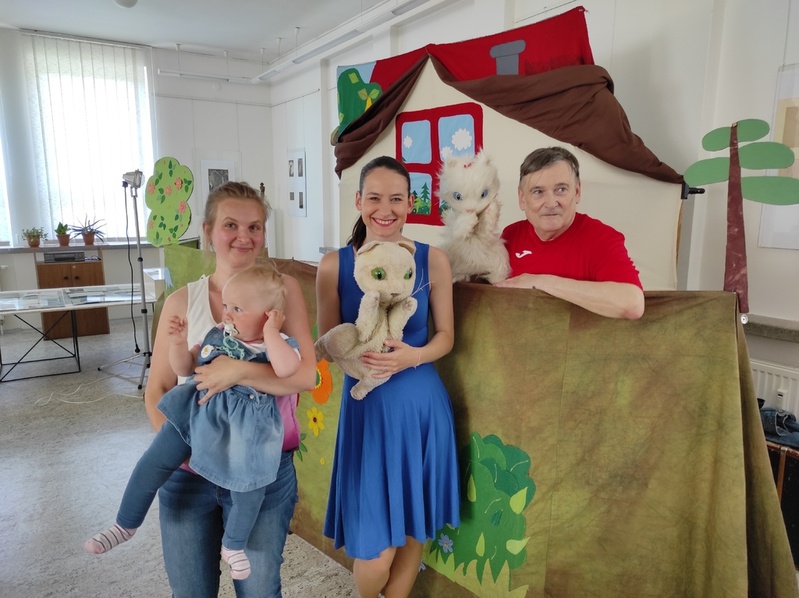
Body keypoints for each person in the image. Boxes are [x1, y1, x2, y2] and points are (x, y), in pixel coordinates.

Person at [141, 181, 315, 598]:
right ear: (207, 230)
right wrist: (182, 453)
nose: (244, 236)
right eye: (230, 225)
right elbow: (158, 387)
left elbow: (305, 376)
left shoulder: (283, 291)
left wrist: (238, 371)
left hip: (262, 471)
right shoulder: (182, 301)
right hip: (190, 474)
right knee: (191, 591)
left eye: (254, 227)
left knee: (259, 590)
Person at [84, 265, 301, 583]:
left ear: (269, 315)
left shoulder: (278, 344)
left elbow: (286, 370)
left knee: (250, 488)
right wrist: (178, 344)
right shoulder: (219, 334)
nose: (226, 314)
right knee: (154, 461)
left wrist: (270, 332)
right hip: (195, 412)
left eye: (237, 308)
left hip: (244, 432)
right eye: (226, 306)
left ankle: (234, 545)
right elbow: (186, 367)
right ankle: (125, 523)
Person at [316, 155, 461, 598]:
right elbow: (328, 346)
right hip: (368, 415)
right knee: (376, 552)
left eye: (396, 199)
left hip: (421, 408)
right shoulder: (334, 266)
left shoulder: (433, 260)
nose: (385, 209)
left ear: (410, 203)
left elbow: (446, 337)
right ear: (359, 201)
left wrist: (412, 357)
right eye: (375, 198)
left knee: (414, 527)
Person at [495, 146, 645, 320]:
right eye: (538, 192)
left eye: (561, 189)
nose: (551, 203)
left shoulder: (601, 239)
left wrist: (540, 282)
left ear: (577, 192)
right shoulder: (511, 235)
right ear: (522, 199)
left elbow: (632, 304)